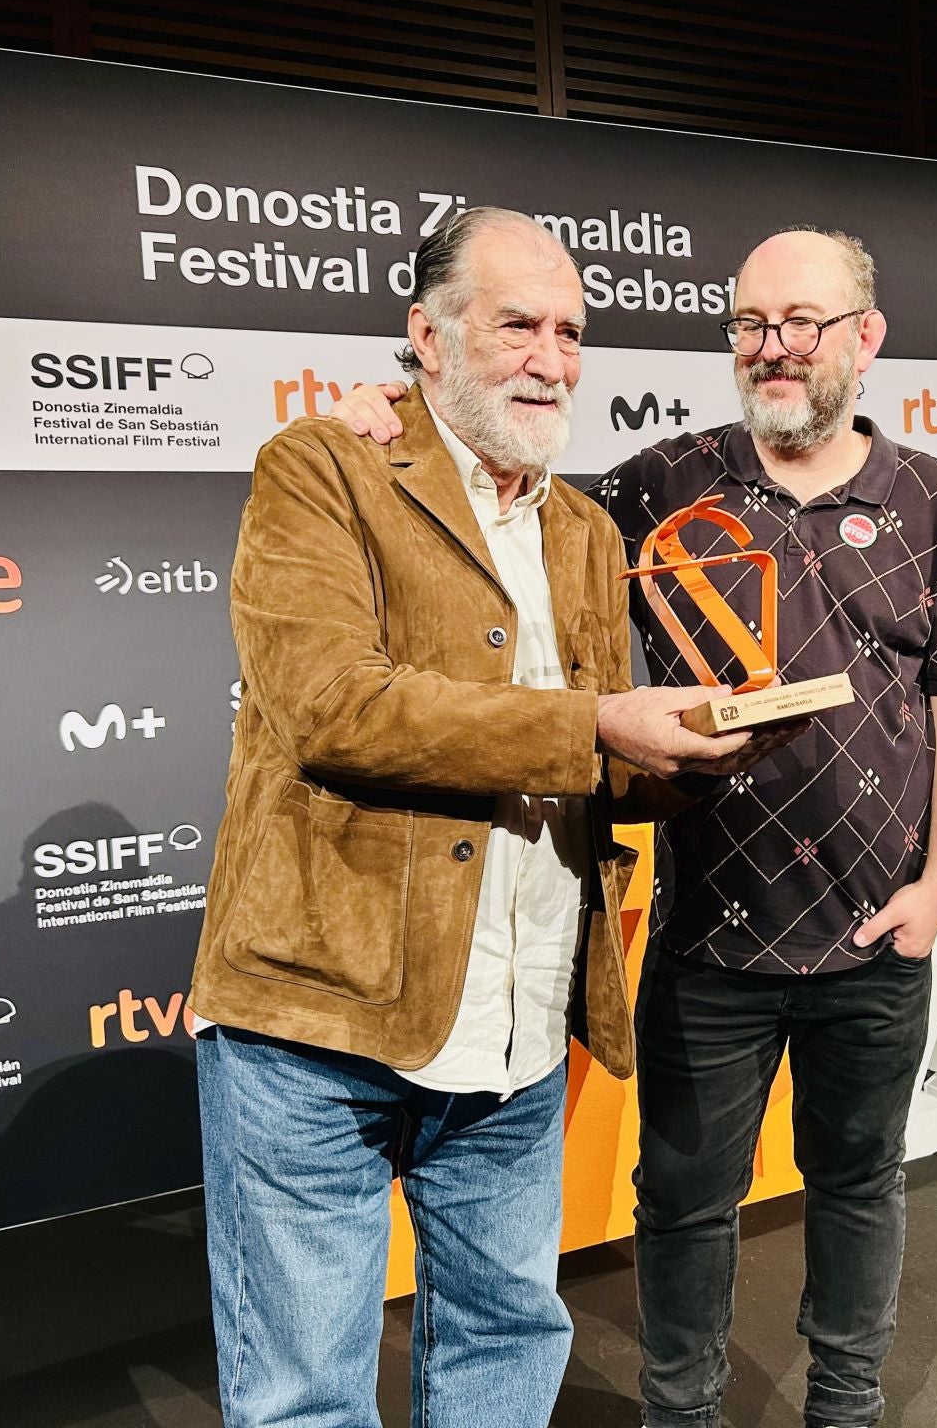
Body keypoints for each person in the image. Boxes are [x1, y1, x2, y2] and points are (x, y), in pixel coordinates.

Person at [331, 225, 937, 1428]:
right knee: (684, 1202)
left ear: (865, 337)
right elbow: (491, 499)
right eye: (750, 323)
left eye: (801, 323)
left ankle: (845, 1405)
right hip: (708, 942)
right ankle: (680, 1414)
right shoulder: (657, 483)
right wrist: (387, 412)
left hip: (877, 935)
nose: (773, 347)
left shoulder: (931, 496)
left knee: (860, 1184)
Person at [189, 205, 767, 1428]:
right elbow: (333, 707)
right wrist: (599, 722)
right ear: (429, 335)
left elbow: (589, 765)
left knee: (507, 1345)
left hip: (518, 1026)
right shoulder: (322, 468)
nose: (551, 359)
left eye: (572, 332)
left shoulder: (585, 529)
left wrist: (694, 756)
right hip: (318, 1021)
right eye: (518, 325)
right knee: (303, 1395)